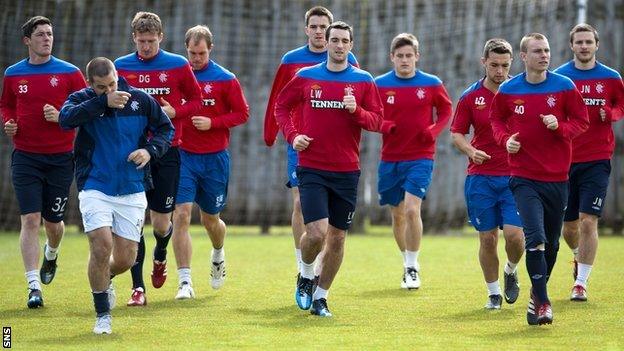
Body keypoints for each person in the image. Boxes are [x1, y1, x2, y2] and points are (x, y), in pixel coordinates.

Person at [275, 21, 390, 317]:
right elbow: (281, 107)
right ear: (325, 43)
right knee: (316, 233)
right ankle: (305, 273)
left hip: (347, 171)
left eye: (344, 41)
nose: (339, 46)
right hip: (312, 167)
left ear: (351, 45)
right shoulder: (305, 76)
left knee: (337, 238)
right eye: (334, 40)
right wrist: (293, 135)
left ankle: (321, 297)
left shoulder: (363, 80)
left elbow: (378, 122)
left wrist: (357, 111)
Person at [59, 57, 173, 334]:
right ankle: (102, 315)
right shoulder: (83, 100)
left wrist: (149, 151)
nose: (110, 90)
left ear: (117, 76)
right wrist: (101, 103)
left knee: (124, 259)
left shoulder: (139, 100)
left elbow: (165, 129)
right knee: (101, 246)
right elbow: (65, 120)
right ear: (90, 84)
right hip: (95, 185)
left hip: (132, 188)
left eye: (112, 84)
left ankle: (106, 276)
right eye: (102, 87)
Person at [490, 33, 589, 325]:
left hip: (557, 177)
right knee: (535, 239)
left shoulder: (564, 86)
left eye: (546, 50)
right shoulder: (509, 90)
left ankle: (536, 294)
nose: (544, 55)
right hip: (523, 177)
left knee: (553, 245)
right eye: (537, 51)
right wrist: (505, 139)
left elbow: (582, 121)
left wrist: (560, 126)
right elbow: (495, 120)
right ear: (524, 56)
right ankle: (544, 303)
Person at [114, 11, 203, 305]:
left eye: (151, 41)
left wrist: (175, 112)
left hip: (167, 150)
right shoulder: (121, 67)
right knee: (134, 220)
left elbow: (197, 100)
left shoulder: (177, 65)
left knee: (163, 223)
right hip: (133, 153)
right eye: (141, 41)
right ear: (133, 39)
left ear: (161, 38)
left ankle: (161, 253)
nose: (146, 47)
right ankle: (137, 289)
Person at [263, 6, 358, 278]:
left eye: (322, 27)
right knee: (298, 203)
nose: (318, 31)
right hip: (300, 143)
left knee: (328, 217)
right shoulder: (292, 60)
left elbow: (356, 96)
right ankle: (301, 261)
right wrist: (272, 134)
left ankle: (318, 261)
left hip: (335, 147)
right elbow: (277, 100)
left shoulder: (348, 59)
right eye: (314, 26)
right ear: (307, 29)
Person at [0, 16, 86, 309]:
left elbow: (86, 107)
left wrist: (62, 114)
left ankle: (52, 252)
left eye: (50, 34)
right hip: (25, 157)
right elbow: (6, 104)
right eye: (40, 35)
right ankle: (33, 286)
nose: (47, 38)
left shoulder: (70, 73)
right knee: (30, 220)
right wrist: (8, 121)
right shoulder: (13, 73)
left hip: (61, 158)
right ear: (27, 41)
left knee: (54, 224)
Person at [171, 25, 249, 299]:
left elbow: (242, 113)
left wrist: (213, 123)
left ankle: (217, 254)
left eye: (201, 53)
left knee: (210, 220)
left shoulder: (225, 79)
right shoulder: (176, 76)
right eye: (192, 53)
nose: (196, 58)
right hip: (182, 156)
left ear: (210, 50)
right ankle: (184, 282)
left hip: (215, 159)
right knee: (180, 214)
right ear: (186, 50)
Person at [374, 33, 452, 290]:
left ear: (417, 57)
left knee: (411, 209)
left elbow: (446, 111)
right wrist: (384, 125)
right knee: (397, 216)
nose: (405, 60)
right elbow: (368, 114)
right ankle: (405, 262)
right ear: (392, 58)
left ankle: (412, 266)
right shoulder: (379, 84)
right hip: (390, 158)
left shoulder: (431, 83)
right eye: (400, 56)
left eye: (409, 55)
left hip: (421, 157)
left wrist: (432, 131)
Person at [450, 38, 523, 309]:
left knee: (515, 236)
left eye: (505, 65)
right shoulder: (471, 97)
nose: (500, 71)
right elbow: (457, 133)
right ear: (484, 63)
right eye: (494, 65)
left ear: (512, 63)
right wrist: (470, 151)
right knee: (487, 237)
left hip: (516, 177)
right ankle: (493, 293)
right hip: (481, 178)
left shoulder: (522, 91)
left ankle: (511, 270)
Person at [554, 24, 624, 302]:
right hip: (564, 160)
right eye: (579, 42)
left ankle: (581, 283)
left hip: (597, 158)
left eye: (588, 42)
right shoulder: (560, 77)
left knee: (587, 222)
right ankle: (576, 256)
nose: (584, 46)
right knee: (569, 227)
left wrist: (612, 113)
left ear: (597, 45)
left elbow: (621, 104)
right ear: (571, 46)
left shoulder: (611, 77)